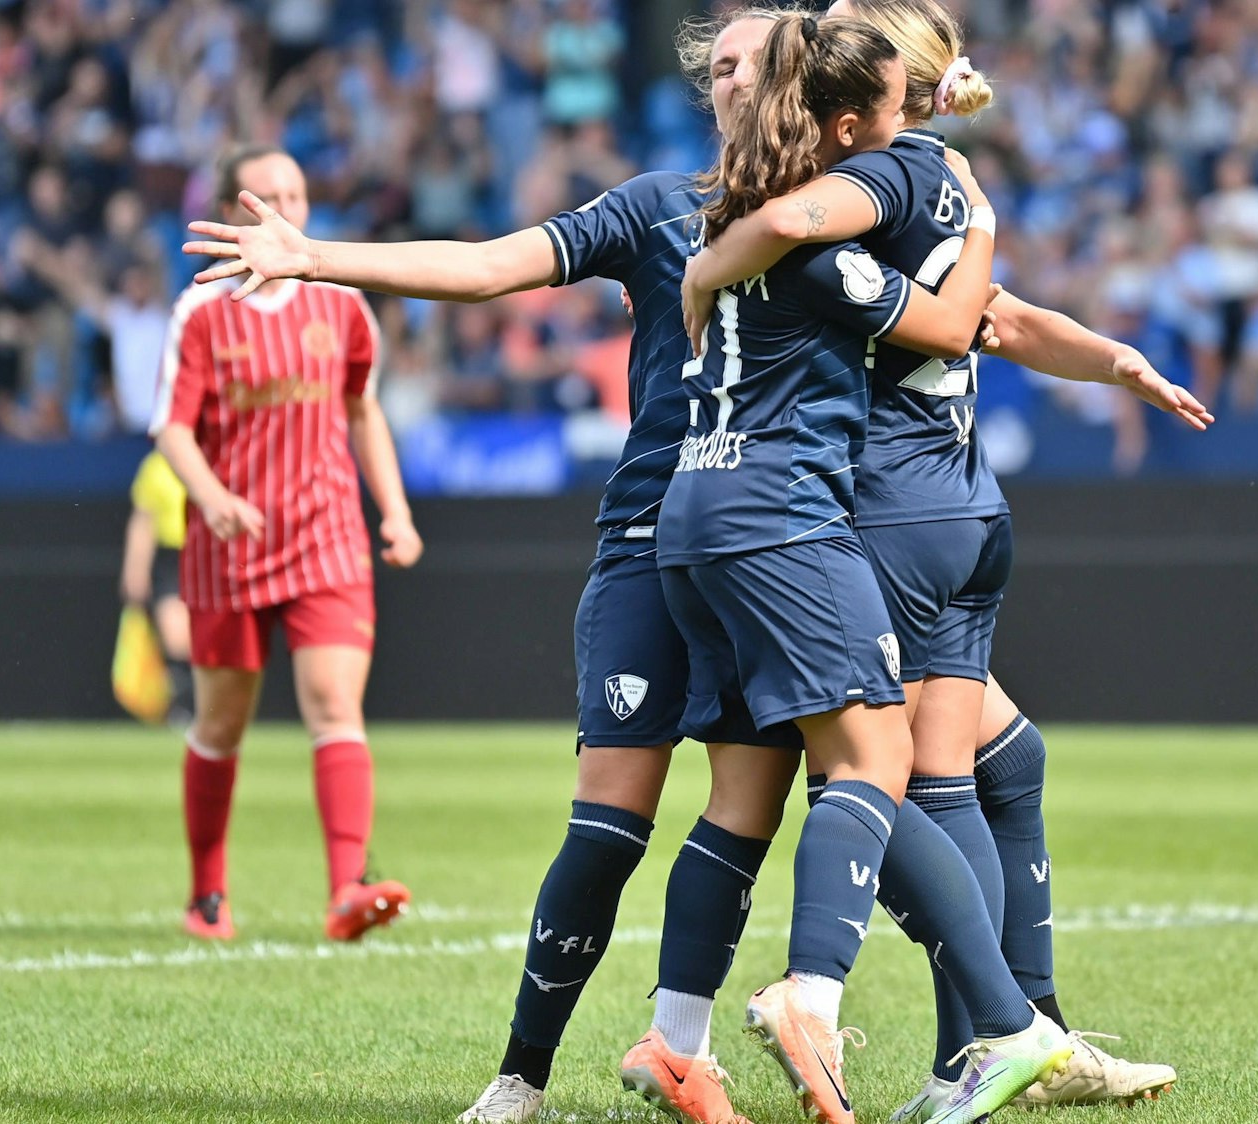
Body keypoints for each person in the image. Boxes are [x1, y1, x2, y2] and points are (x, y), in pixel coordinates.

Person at [185, 13, 801, 1123]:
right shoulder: (656, 206)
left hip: (772, 550)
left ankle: (681, 1047)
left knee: (746, 811)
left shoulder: (854, 211)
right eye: (718, 64)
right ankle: (518, 1077)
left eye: (756, 61)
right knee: (608, 823)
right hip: (652, 539)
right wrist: (317, 257)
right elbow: (485, 266)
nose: (734, 79)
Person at [673, 0, 1206, 1111]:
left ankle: (992, 1033)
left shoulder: (871, 181)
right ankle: (1011, 1039)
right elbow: (989, 314)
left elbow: (965, 312)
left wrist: (707, 262)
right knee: (967, 770)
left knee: (915, 774)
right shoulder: (938, 176)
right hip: (947, 503)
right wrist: (1108, 352)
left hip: (889, 507)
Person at [650, 17, 1070, 1124]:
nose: (904, 132)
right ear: (844, 125)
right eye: (891, 114)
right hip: (785, 518)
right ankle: (833, 1000)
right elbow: (953, 322)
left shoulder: (716, 210)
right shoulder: (827, 244)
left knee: (745, 797)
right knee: (878, 766)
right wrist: (980, 220)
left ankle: (676, 1037)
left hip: (694, 514)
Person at [152, 144, 422, 945]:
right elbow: (171, 428)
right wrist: (212, 498)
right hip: (228, 544)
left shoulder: (341, 304)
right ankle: (207, 894)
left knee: (335, 705)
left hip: (325, 536)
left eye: (296, 195)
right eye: (265, 196)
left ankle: (347, 888)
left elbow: (363, 410)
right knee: (221, 724)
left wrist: (396, 512)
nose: (285, 209)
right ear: (232, 214)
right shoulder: (201, 311)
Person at [122, 449, 193, 728]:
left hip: (210, 555)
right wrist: (135, 570)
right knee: (176, 636)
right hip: (172, 557)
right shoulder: (156, 466)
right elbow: (142, 522)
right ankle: (183, 709)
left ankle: (208, 707)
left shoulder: (217, 454)